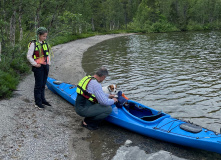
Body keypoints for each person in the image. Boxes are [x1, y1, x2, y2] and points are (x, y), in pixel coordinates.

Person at [27, 27, 52, 109]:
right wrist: (34, 64)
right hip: (38, 67)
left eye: (46, 36)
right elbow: (29, 56)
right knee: (38, 85)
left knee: (43, 84)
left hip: (45, 66)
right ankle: (37, 102)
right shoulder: (34, 44)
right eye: (43, 36)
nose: (45, 38)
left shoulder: (45, 44)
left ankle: (43, 100)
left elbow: (47, 54)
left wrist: (48, 62)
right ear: (39, 35)